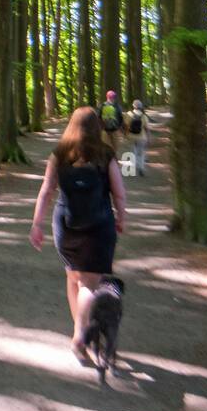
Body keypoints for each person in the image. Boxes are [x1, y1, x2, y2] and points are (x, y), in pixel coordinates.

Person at [29, 106, 126, 362]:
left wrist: (36, 224)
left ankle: (78, 330)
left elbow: (46, 190)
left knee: (73, 279)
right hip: (99, 225)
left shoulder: (59, 154)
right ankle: (80, 337)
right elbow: (119, 192)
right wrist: (121, 217)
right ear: (97, 128)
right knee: (88, 285)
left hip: (66, 225)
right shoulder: (105, 154)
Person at [127, 99, 151, 176]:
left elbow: (125, 125)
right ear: (141, 107)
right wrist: (149, 138)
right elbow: (147, 128)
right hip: (141, 137)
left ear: (133, 106)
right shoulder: (144, 116)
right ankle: (141, 168)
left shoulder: (128, 114)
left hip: (131, 136)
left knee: (133, 152)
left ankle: (132, 168)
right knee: (141, 153)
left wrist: (125, 134)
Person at [98, 89, 125, 157]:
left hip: (105, 130)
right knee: (115, 147)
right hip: (115, 130)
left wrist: (101, 127)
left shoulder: (102, 106)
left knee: (106, 146)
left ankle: (106, 159)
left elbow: (98, 117)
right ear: (114, 97)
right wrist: (120, 127)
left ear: (107, 97)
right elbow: (121, 117)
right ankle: (114, 159)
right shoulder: (117, 106)